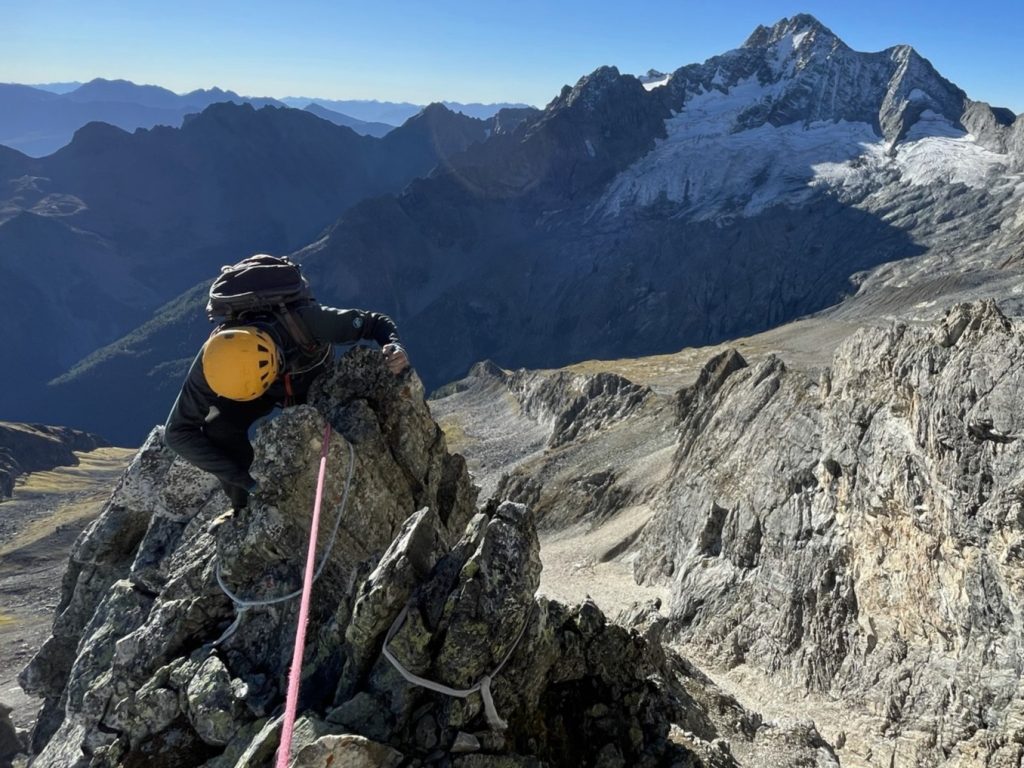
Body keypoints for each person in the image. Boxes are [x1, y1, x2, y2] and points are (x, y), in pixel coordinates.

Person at [164, 274, 409, 512]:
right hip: (267, 392)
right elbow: (177, 432)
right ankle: (241, 506)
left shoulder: (308, 322)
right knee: (219, 428)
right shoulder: (214, 361)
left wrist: (394, 345)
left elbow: (375, 322)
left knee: (321, 440)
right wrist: (243, 480)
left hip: (313, 382)